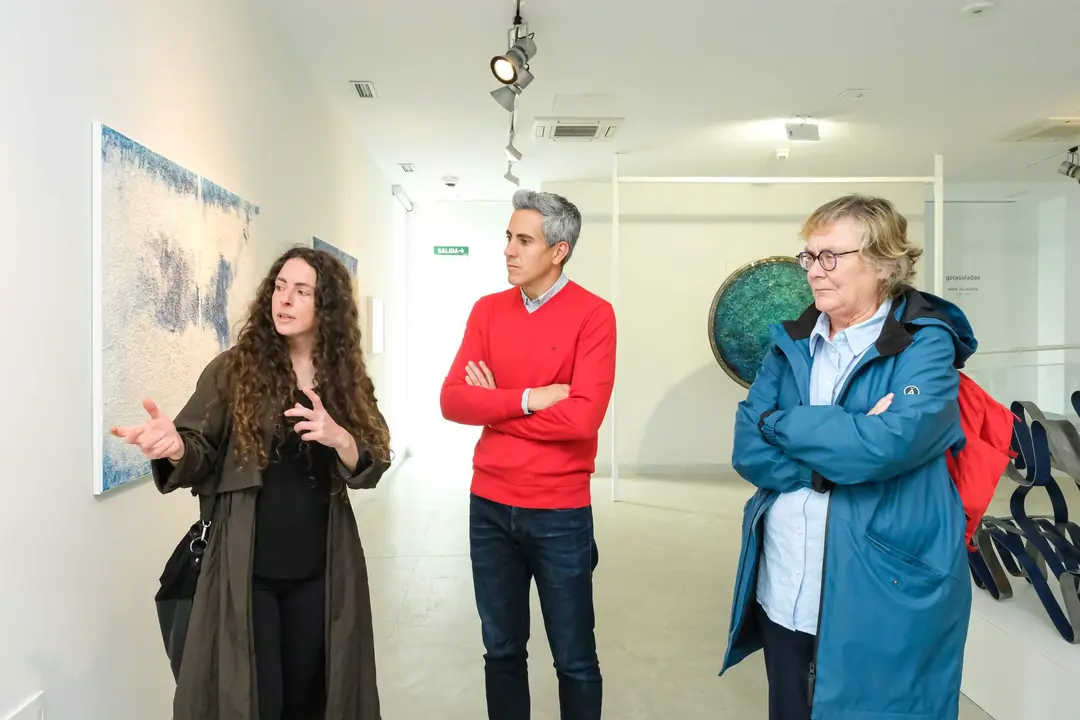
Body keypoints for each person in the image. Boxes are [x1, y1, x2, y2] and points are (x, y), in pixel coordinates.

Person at [719, 195, 975, 720]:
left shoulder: (925, 345)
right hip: (785, 582)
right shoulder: (791, 341)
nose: (814, 271)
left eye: (831, 256)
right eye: (809, 257)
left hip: (879, 584)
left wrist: (781, 423)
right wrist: (833, 446)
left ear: (883, 262)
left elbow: (884, 448)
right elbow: (747, 447)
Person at [112, 247, 391, 720]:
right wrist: (176, 446)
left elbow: (373, 459)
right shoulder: (234, 370)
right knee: (255, 700)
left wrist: (338, 435)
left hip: (321, 569)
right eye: (280, 287)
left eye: (302, 291)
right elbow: (198, 445)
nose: (284, 300)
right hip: (247, 572)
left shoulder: (344, 380)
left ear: (327, 306)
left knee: (314, 698)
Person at [440, 189, 616, 720]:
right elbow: (452, 400)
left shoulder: (594, 315)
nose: (508, 250)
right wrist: (529, 398)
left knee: (575, 659)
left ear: (558, 250)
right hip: (488, 508)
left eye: (523, 240)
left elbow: (583, 417)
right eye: (508, 238)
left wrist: (493, 408)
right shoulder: (487, 311)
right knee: (501, 653)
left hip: (560, 513)